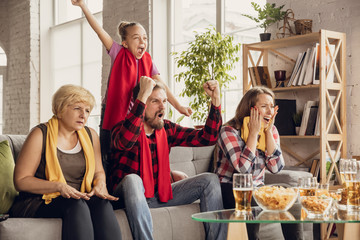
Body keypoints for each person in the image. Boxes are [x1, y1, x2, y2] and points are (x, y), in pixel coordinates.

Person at [71, 0, 192, 174]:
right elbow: (99, 31)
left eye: (145, 38)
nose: (142, 41)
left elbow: (162, 84)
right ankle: (104, 187)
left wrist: (179, 106)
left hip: (134, 116)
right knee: (106, 153)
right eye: (136, 38)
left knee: (129, 155)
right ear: (125, 43)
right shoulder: (118, 52)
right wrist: (84, 7)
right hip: (112, 112)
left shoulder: (148, 61)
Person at [108, 76, 226, 240]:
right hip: (127, 198)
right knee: (133, 180)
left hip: (158, 196)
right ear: (141, 103)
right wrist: (142, 94)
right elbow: (125, 141)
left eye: (164, 101)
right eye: (155, 101)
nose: (163, 106)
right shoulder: (121, 129)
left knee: (210, 180)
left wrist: (215, 101)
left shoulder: (168, 129)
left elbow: (208, 138)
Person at [10, 85, 122, 240]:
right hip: (39, 200)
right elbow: (21, 181)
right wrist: (58, 186)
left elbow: (98, 171)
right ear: (60, 109)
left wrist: (100, 184)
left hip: (78, 197)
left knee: (102, 204)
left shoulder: (91, 135)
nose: (84, 115)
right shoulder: (40, 134)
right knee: (76, 205)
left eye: (87, 110)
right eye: (77, 108)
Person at [215, 86, 304, 240]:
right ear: (251, 109)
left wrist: (268, 133)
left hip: (257, 188)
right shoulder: (228, 131)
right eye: (264, 107)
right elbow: (243, 170)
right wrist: (254, 133)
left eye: (271, 106)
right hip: (229, 188)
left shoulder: (271, 130)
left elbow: (276, 168)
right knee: (252, 199)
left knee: (290, 194)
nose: (270, 112)